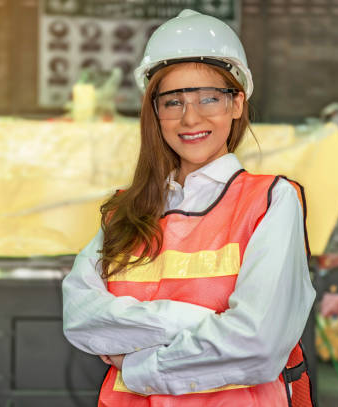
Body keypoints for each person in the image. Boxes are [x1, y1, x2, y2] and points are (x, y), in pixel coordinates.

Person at [62, 9, 316, 407]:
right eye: (173, 101)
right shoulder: (125, 212)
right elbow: (81, 319)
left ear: (236, 104)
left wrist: (138, 367)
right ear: (155, 112)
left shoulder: (270, 201)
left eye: (209, 98)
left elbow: (259, 346)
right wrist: (197, 322)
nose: (190, 117)